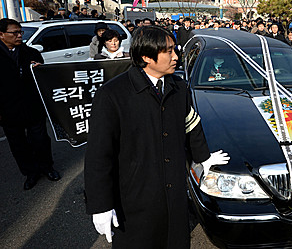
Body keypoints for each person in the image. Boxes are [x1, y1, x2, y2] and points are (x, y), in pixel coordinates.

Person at [85, 26, 230, 247]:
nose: (176, 57)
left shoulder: (178, 87)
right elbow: (99, 154)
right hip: (135, 198)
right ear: (146, 57)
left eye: (175, 50)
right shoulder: (113, 94)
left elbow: (191, 124)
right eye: (169, 51)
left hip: (174, 194)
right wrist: (101, 205)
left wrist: (204, 157)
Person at [0, 18, 61, 190]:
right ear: (1, 34)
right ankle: (30, 173)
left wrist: (40, 69)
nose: (19, 36)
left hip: (33, 105)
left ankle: (47, 167)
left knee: (40, 139)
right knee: (18, 144)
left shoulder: (31, 53)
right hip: (8, 110)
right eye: (15, 33)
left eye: (20, 32)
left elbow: (43, 79)